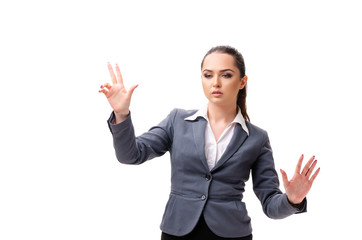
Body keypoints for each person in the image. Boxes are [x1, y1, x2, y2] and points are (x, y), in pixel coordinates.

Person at [99, 46, 320, 240]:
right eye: (208, 75)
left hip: (232, 233)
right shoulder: (177, 120)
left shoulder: (257, 138)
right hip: (177, 231)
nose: (215, 83)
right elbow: (130, 155)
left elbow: (271, 205)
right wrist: (122, 114)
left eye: (226, 75)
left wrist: (292, 199)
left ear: (242, 81)